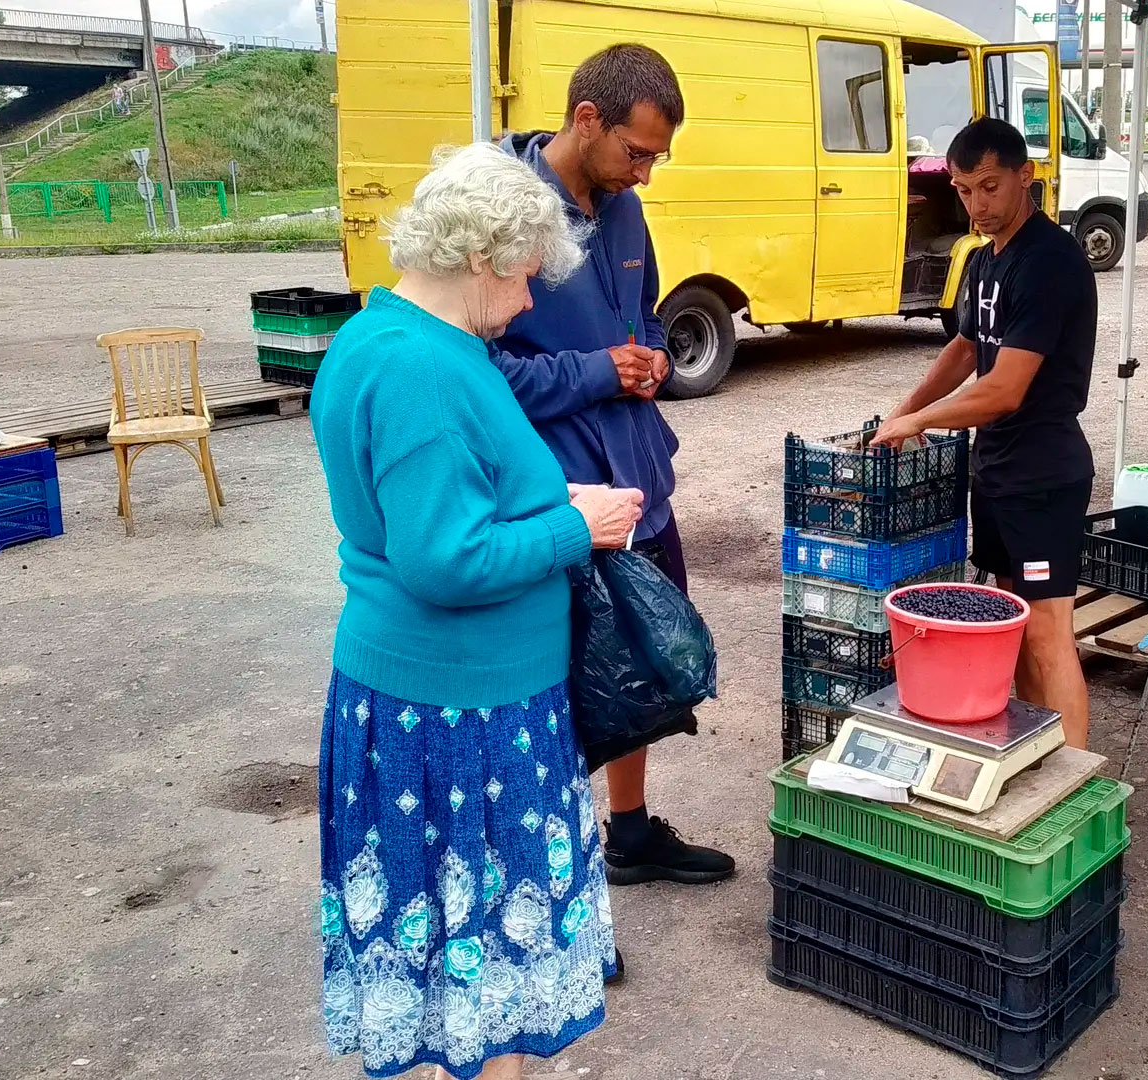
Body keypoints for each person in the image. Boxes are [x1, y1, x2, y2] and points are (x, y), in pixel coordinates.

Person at [311, 143, 645, 1080]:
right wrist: (576, 530)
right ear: (492, 255)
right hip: (464, 716)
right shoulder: (430, 368)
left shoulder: (380, 339)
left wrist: (549, 505)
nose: (533, 300)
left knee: (468, 972)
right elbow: (444, 559)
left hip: (433, 699)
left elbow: (443, 509)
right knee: (488, 969)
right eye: (532, 274)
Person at [492, 44, 734, 889]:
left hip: (639, 484)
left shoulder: (627, 210)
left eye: (658, 157)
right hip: (555, 495)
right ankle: (559, 881)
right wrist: (599, 371)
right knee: (558, 689)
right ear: (586, 119)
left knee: (644, 663)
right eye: (638, 153)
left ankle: (627, 832)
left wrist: (656, 357)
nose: (647, 174)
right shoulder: (505, 210)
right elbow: (478, 375)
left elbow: (650, 322)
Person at [872, 117, 1099, 749]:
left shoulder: (1051, 262)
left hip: (1043, 473)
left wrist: (920, 422)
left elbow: (1005, 388)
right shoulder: (985, 258)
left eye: (990, 187)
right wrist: (904, 408)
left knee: (1049, 631)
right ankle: (1039, 757)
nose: (977, 204)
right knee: (1015, 626)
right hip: (997, 469)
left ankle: (1075, 783)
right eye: (965, 189)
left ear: (1026, 178)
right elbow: (967, 348)